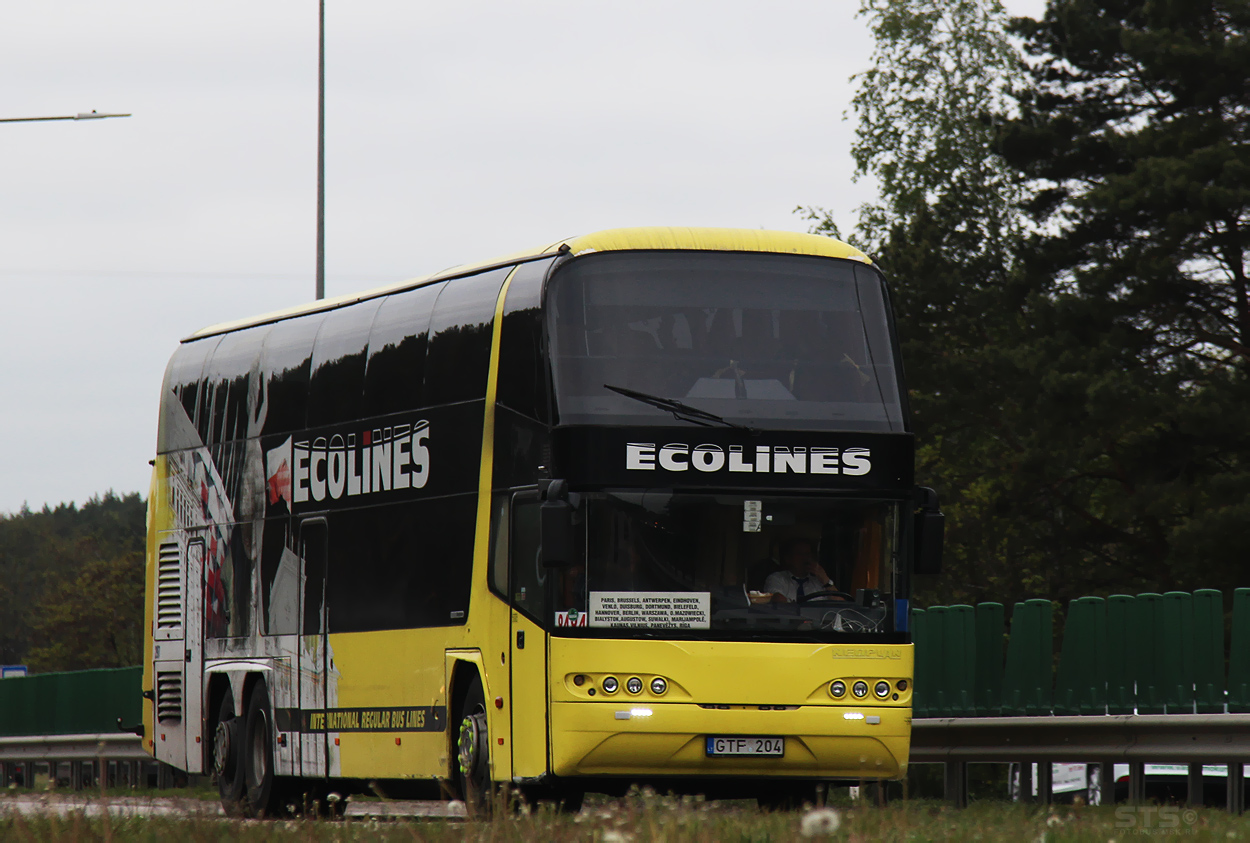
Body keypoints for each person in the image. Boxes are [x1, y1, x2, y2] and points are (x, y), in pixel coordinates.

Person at [762, 537, 845, 603]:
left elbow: (841, 606)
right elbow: (777, 598)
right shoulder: (777, 578)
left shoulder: (818, 581)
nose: (805, 558)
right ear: (788, 559)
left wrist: (826, 580)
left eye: (807, 554)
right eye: (800, 554)